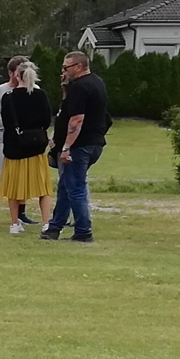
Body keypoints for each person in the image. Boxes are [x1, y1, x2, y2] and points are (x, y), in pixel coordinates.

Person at [42, 49, 109, 242]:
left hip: (79, 146)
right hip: (94, 143)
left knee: (76, 188)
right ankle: (54, 227)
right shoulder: (96, 82)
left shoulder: (80, 86)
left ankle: (83, 231)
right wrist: (65, 92)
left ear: (78, 66)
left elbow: (76, 120)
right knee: (66, 185)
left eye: (66, 68)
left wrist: (66, 147)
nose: (63, 71)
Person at [0, 58, 53, 232]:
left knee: (13, 187)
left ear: (17, 76)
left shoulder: (8, 97)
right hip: (36, 146)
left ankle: (14, 223)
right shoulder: (41, 95)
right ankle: (46, 222)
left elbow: (6, 122)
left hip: (14, 146)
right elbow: (46, 120)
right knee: (43, 187)